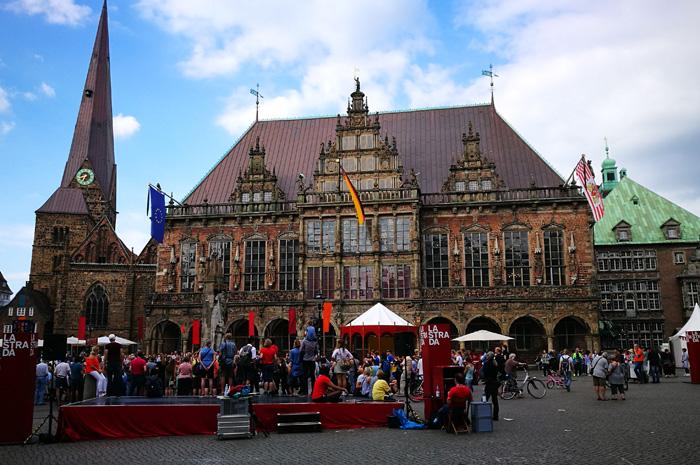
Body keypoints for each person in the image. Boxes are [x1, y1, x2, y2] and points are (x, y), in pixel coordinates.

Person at [482, 351, 503, 421]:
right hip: (495, 382)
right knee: (495, 400)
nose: (486, 357)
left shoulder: (486, 364)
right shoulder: (495, 363)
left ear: (489, 356)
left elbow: (485, 373)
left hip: (489, 383)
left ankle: (483, 413)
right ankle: (495, 416)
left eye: (487, 356)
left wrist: (485, 378)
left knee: (484, 399)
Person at [300, 324, 319, 396]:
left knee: (305, 376)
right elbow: (316, 351)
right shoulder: (315, 342)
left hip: (305, 359)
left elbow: (301, 350)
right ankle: (313, 391)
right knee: (312, 376)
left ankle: (305, 391)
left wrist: (304, 352)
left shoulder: (305, 341)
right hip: (312, 360)